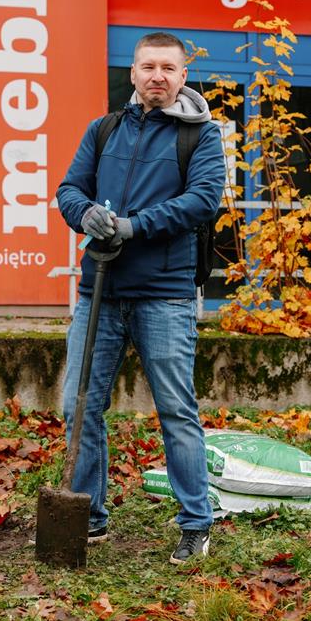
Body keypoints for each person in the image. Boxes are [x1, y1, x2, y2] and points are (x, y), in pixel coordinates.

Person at [55, 31, 224, 563]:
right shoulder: (103, 130)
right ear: (132, 74)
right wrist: (85, 214)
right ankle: (89, 515)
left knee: (176, 410)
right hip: (99, 293)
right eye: (147, 66)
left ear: (182, 77)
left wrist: (133, 226)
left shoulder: (201, 137)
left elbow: (202, 200)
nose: (157, 76)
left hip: (165, 297)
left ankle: (196, 523)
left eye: (167, 68)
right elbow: (68, 189)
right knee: (79, 407)